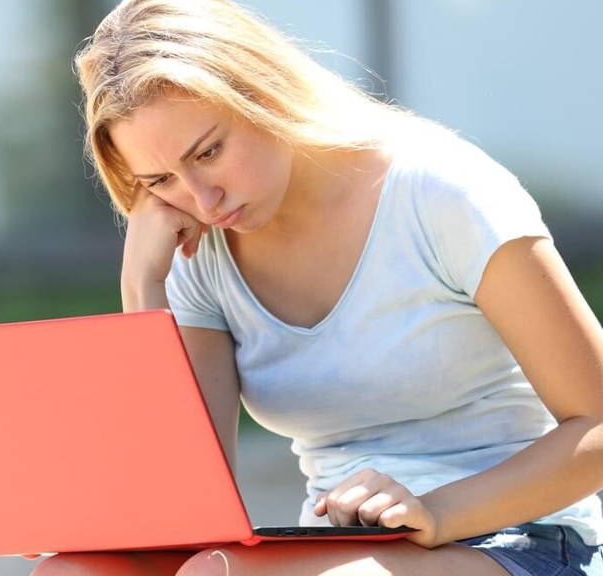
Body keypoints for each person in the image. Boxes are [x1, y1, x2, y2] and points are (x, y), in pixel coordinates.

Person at [31, 0, 603, 575]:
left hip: (518, 536)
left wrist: (433, 511)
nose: (202, 199)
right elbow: (181, 509)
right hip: (341, 545)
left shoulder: (442, 192)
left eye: (208, 153)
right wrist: (142, 287)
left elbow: (597, 425)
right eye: (161, 181)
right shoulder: (194, 243)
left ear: (265, 94)